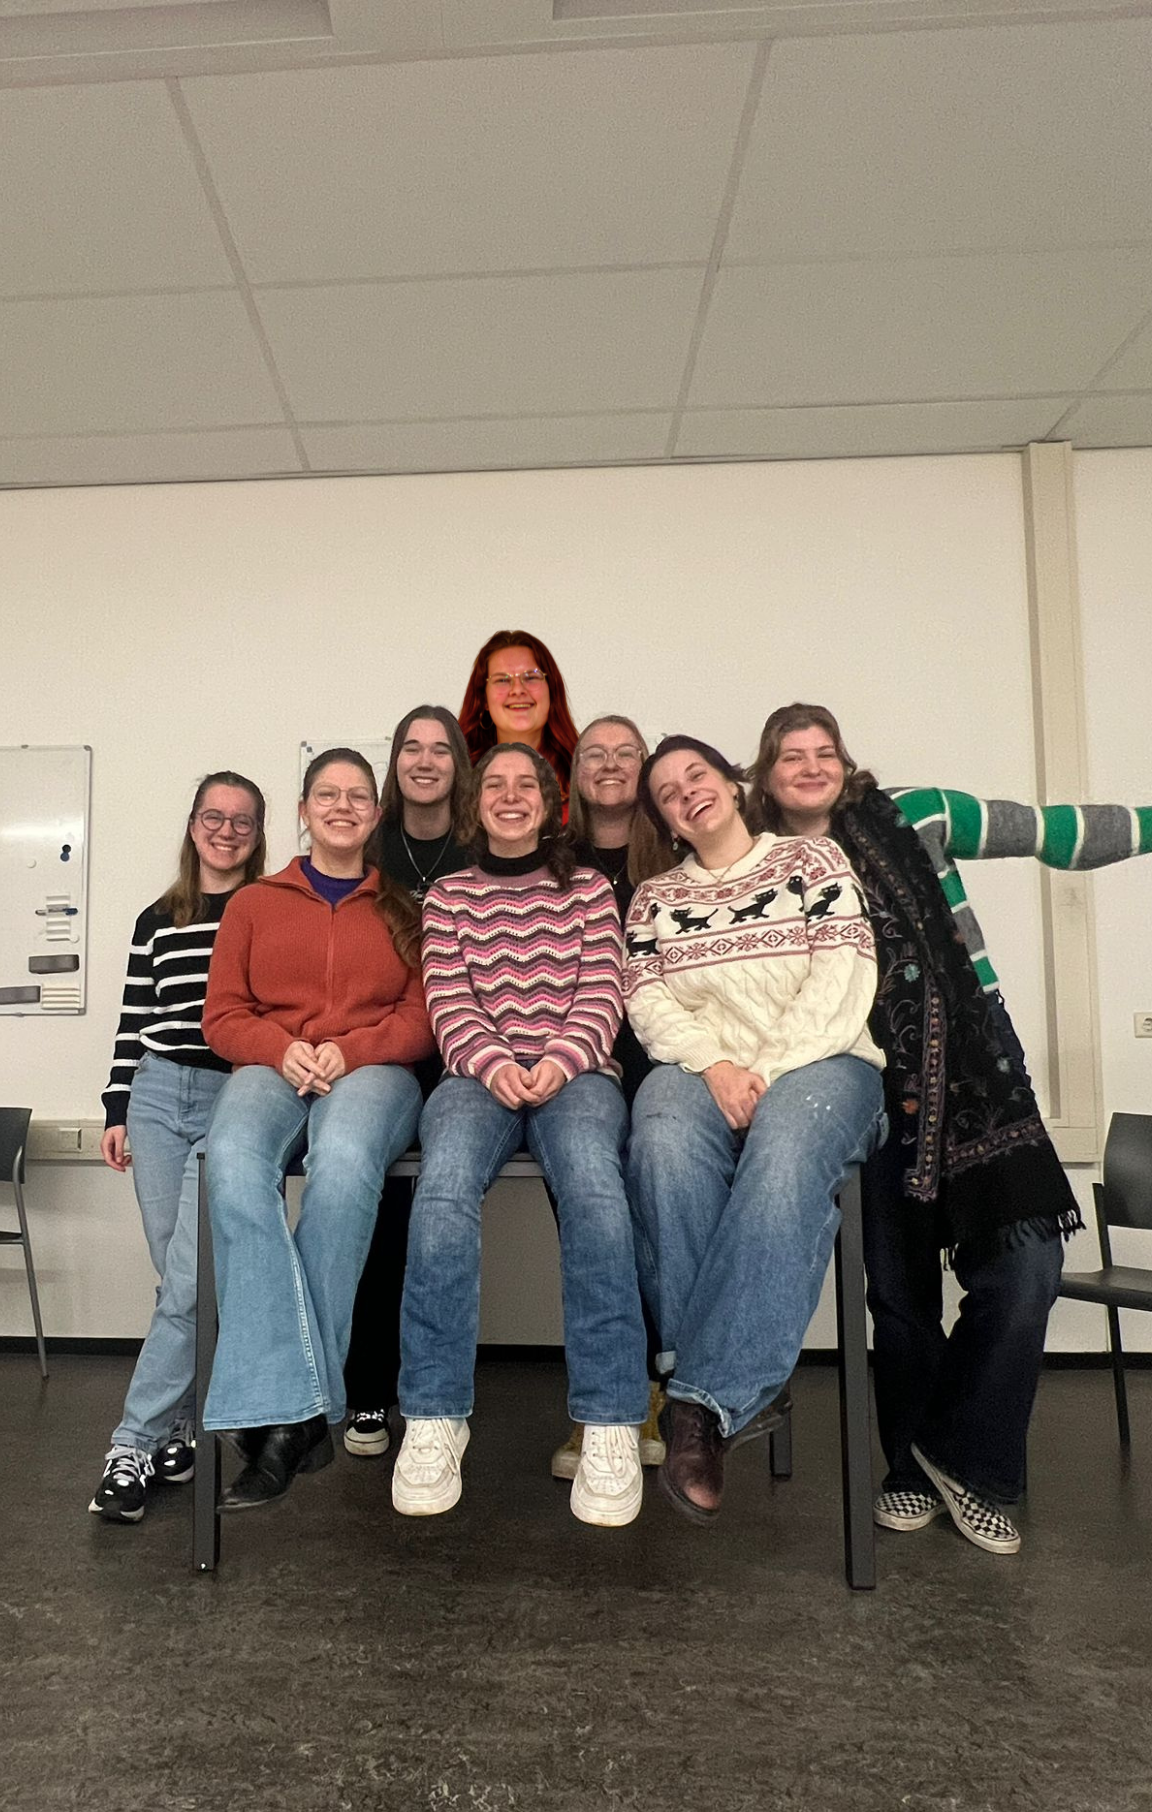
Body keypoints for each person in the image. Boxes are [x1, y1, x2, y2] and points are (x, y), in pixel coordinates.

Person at [748, 702, 1115, 1557]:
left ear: (846, 761)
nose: (811, 766)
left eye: (825, 750)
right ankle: (908, 1474)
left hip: (978, 1073)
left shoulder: (915, 816)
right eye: (791, 755)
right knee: (901, 1301)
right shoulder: (761, 866)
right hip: (865, 1087)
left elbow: (1050, 831)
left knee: (1027, 1271)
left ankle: (960, 1460)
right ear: (764, 775)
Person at [625, 737, 886, 1524]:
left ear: (733, 784)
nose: (686, 792)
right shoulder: (654, 899)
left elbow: (840, 978)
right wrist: (714, 1065)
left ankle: (700, 1401)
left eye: (696, 775)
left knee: (783, 1145)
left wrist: (764, 1072)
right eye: (667, 792)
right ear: (665, 821)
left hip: (824, 1064)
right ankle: (729, 1389)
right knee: (658, 1135)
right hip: (706, 1071)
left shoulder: (814, 861)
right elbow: (647, 1000)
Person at [393, 742, 649, 1527]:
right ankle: (434, 1416)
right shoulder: (448, 896)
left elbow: (604, 991)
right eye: (494, 785)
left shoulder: (590, 890)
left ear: (548, 802)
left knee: (596, 1193)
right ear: (476, 804)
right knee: (442, 1191)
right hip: (477, 1079)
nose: (510, 796)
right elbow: (447, 998)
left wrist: (561, 1061)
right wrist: (496, 1063)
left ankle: (610, 1420)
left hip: (580, 1077)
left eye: (524, 785)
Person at [201, 748, 434, 1511]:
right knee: (232, 1162)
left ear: (376, 813)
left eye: (357, 796)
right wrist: (281, 1048)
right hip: (272, 1065)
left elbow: (422, 1017)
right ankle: (303, 1411)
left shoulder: (403, 907)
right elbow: (222, 1015)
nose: (342, 807)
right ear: (303, 810)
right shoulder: (253, 904)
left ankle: (283, 1413)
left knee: (342, 1165)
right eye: (326, 795)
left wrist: (350, 1049)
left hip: (373, 1070)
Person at [89, 771, 266, 1523]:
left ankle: (130, 1445)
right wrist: (117, 1105)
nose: (226, 831)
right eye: (213, 817)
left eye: (242, 821)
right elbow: (134, 1017)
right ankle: (181, 1429)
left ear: (258, 834)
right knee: (180, 1276)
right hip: (158, 1094)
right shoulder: (157, 917)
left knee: (192, 1281)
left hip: (233, 1094)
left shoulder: (266, 910)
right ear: (193, 825)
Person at [342, 706, 473, 1457]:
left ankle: (442, 1393)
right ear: (394, 762)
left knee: (447, 1218)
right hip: (386, 1051)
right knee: (381, 1210)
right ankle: (368, 1389)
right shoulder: (367, 846)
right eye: (410, 749)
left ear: (460, 764)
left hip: (468, 1055)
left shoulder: (483, 844)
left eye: (440, 750)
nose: (425, 761)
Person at [549, 714, 667, 1482]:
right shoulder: (549, 859)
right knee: (590, 1218)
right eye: (596, 753)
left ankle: (658, 1389)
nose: (611, 764)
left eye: (628, 753)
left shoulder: (677, 852)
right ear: (576, 772)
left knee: (655, 1209)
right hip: (576, 1068)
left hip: (662, 1061)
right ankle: (604, 1398)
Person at [458, 629, 579, 804]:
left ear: (552, 692)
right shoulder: (455, 781)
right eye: (502, 680)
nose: (517, 690)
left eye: (531, 678)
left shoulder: (585, 778)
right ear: (483, 699)